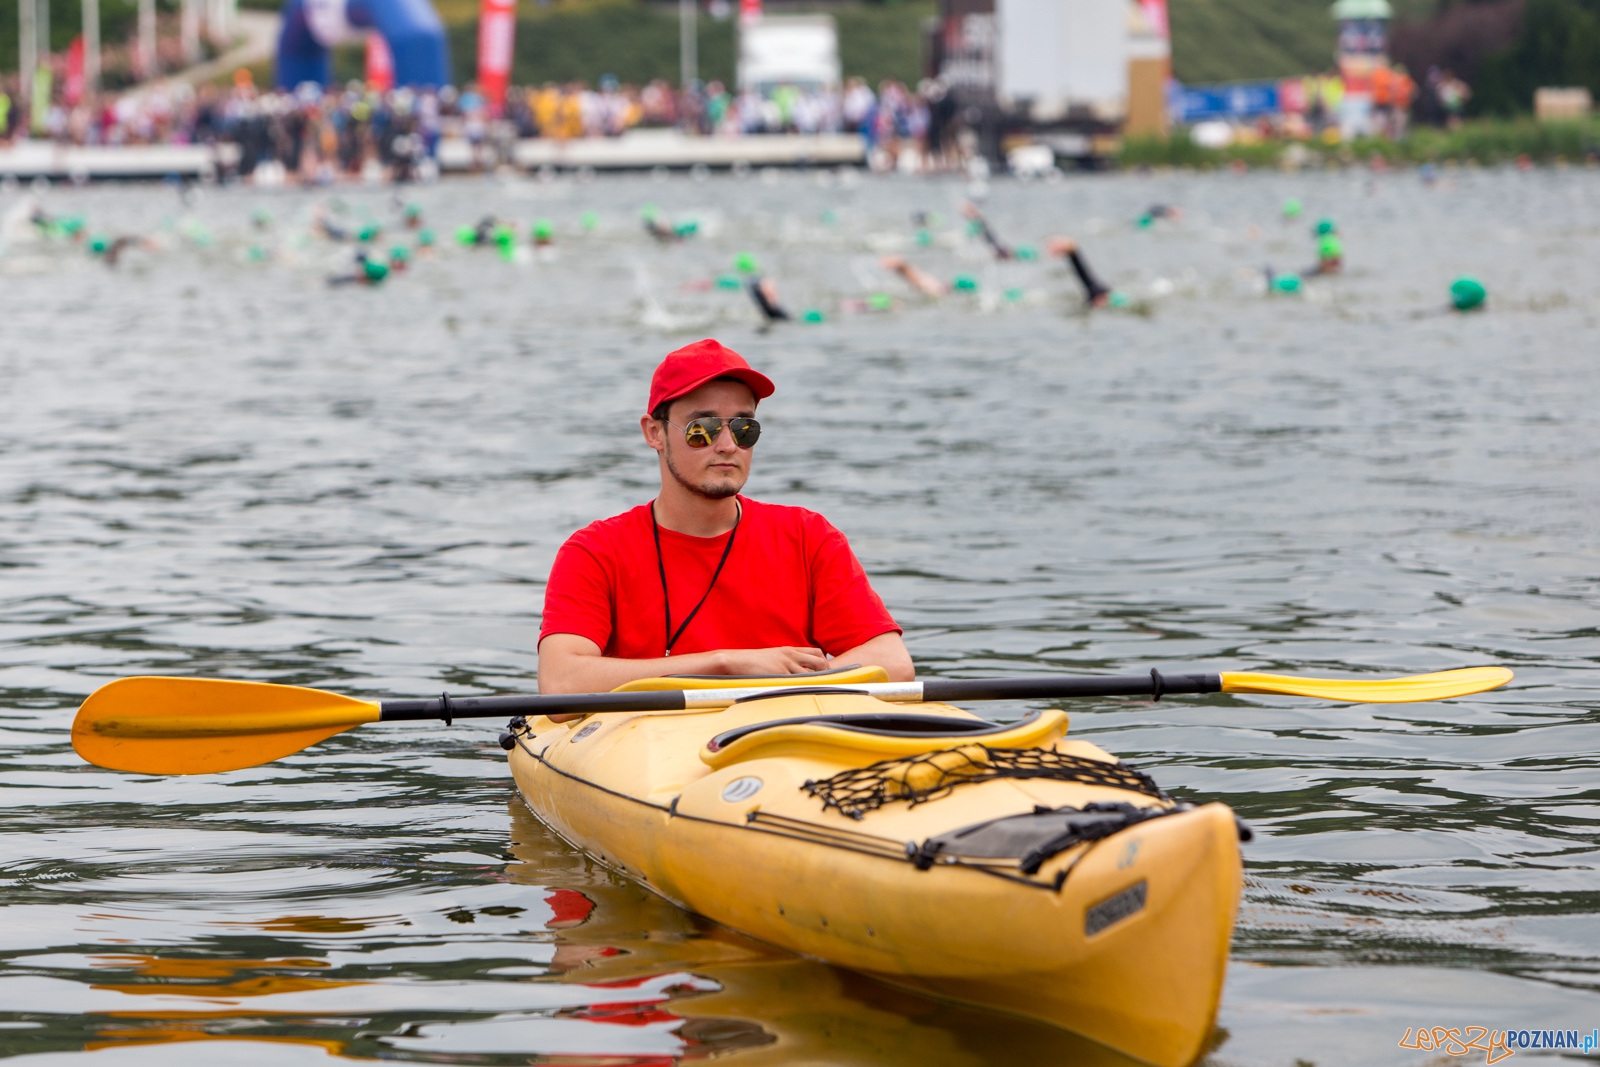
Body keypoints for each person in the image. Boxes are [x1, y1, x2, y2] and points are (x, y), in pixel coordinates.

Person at [537, 339, 914, 708]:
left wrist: (789, 684)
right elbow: (561, 683)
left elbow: (893, 662)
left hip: (786, 737)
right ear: (654, 433)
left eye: (743, 428)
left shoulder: (808, 535)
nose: (727, 444)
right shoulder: (594, 550)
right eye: (703, 428)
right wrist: (726, 665)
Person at [1046, 237, 1111, 307]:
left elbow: (1086, 278)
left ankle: (1070, 248)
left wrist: (1071, 250)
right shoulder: (1097, 293)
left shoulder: (1097, 293)